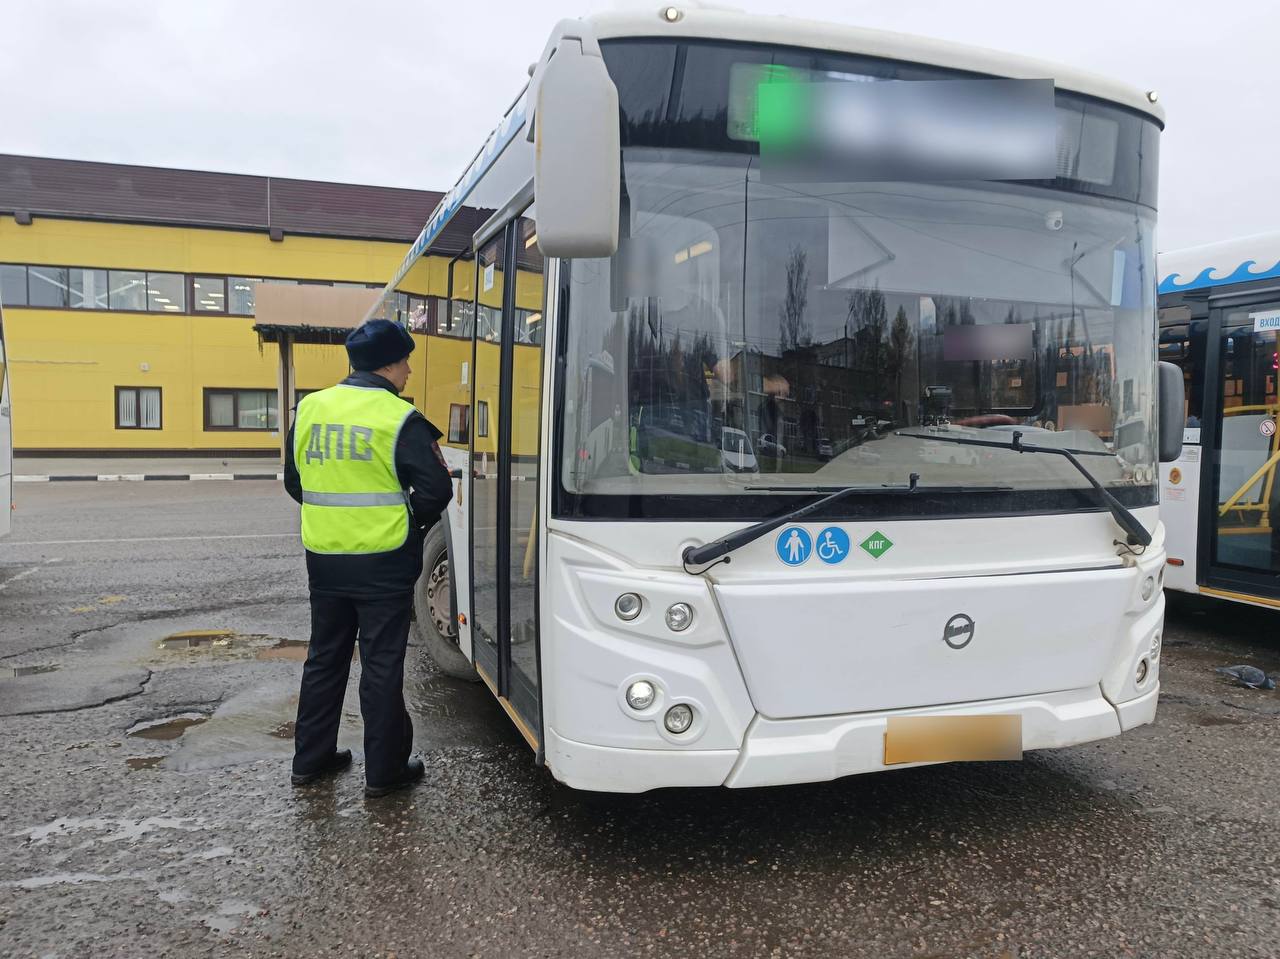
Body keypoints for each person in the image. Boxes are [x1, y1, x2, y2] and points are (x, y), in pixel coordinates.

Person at [283, 319, 454, 798]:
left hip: (325, 560)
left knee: (324, 659)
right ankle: (385, 772)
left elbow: (294, 482)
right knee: (380, 666)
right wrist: (407, 524)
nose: (409, 372)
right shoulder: (398, 417)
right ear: (391, 364)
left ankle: (311, 761)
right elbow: (437, 488)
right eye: (406, 362)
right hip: (383, 562)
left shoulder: (312, 408)